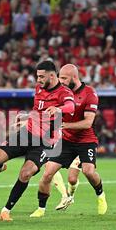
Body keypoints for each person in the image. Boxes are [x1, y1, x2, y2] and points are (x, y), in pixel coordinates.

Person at [0, 60, 75, 221]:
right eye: (37, 76)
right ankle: (0, 168)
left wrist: (59, 109)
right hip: (27, 133)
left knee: (26, 173)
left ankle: (6, 210)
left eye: (41, 77)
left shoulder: (64, 92)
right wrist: (26, 117)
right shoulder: (39, 88)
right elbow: (38, 110)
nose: (38, 80)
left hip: (46, 142)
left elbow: (71, 107)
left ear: (52, 76)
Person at [31, 64, 107, 218]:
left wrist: (64, 125)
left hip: (86, 140)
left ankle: (101, 195)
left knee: (89, 172)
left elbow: (87, 123)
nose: (61, 81)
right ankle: (41, 209)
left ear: (74, 77)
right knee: (47, 174)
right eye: (60, 78)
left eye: (64, 78)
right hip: (65, 140)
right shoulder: (60, 92)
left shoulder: (89, 93)